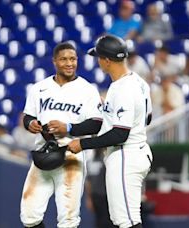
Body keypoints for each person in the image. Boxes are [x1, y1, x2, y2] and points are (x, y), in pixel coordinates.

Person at [67, 35, 153, 228]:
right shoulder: (139, 82)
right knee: (125, 220)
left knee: (127, 222)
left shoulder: (121, 89)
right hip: (137, 151)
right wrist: (70, 129)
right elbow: (147, 118)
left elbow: (119, 134)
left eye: (98, 57)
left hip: (125, 155)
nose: (97, 61)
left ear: (107, 60)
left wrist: (83, 144)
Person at [20, 42, 103, 228]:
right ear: (54, 61)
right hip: (44, 150)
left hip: (71, 153)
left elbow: (97, 123)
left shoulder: (87, 89)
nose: (69, 63)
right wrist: (30, 123)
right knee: (29, 215)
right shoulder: (39, 87)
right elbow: (29, 115)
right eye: (64, 59)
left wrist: (69, 128)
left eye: (73, 59)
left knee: (68, 219)